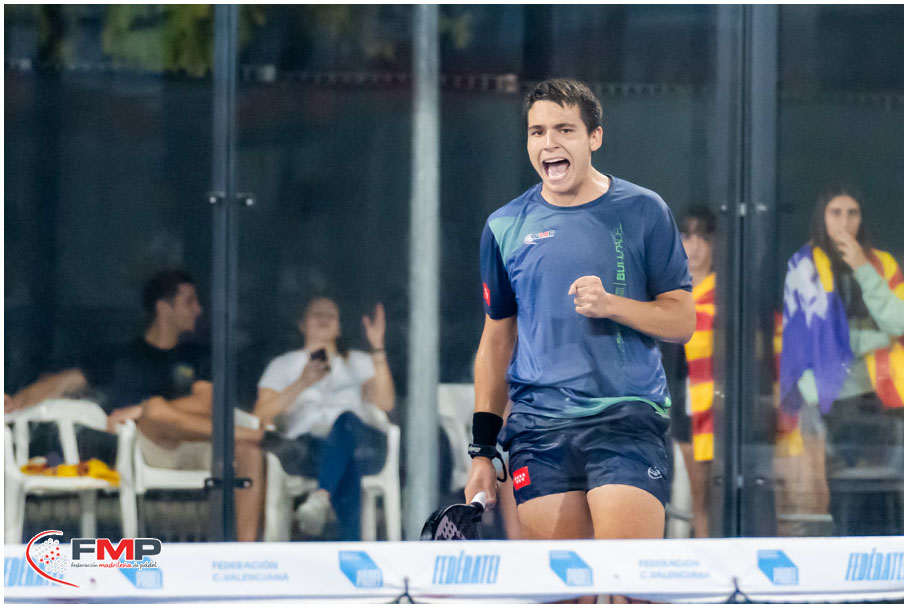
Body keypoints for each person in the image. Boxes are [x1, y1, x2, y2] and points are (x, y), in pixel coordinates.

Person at [464, 78, 696, 543]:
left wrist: (612, 305)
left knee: (624, 579)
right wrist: (482, 452)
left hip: (625, 420)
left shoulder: (644, 210)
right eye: (537, 132)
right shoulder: (504, 226)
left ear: (594, 137)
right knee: (562, 582)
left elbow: (682, 321)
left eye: (564, 130)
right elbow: (496, 341)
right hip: (539, 432)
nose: (549, 143)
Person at [5, 269, 265, 542]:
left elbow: (206, 403)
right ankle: (258, 435)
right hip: (149, 447)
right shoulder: (122, 357)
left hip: (200, 443)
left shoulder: (198, 355)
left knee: (248, 452)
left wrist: (141, 410)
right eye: (189, 302)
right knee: (155, 411)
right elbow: (60, 383)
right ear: (163, 308)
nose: (199, 310)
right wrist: (16, 401)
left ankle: (245, 556)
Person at [780, 186, 903, 535]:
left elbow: (900, 322)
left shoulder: (881, 263)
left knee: (885, 491)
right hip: (827, 397)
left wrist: (863, 268)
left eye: (852, 213)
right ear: (822, 217)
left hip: (882, 395)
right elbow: (824, 342)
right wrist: (877, 336)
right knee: (839, 493)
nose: (844, 222)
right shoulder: (805, 265)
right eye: (836, 213)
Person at [254, 296, 395, 541]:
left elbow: (385, 403)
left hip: (362, 444)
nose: (324, 319)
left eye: (331, 315)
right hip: (308, 450)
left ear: (339, 327)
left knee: (346, 422)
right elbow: (259, 416)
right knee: (346, 459)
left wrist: (378, 348)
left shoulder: (359, 361)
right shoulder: (283, 364)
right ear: (302, 324)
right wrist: (302, 383)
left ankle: (321, 496)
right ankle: (350, 544)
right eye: (316, 314)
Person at [665, 206, 717, 538]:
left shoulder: (730, 290)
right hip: (681, 404)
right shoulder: (668, 292)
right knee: (697, 497)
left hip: (721, 405)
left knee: (715, 496)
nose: (695, 245)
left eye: (703, 236)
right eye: (687, 236)